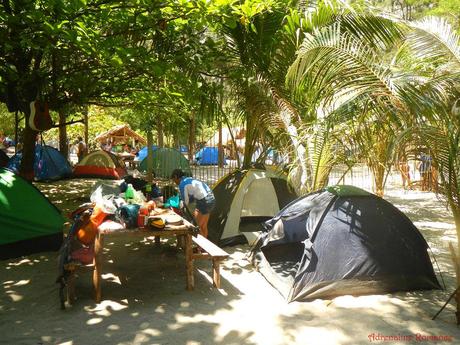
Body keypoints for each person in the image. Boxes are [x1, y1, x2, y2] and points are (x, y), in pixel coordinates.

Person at [171, 169, 215, 238]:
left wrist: (180, 207)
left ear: (176, 177)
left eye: (174, 180)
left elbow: (185, 202)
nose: (174, 182)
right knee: (203, 226)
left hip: (204, 201)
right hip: (211, 198)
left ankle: (199, 247)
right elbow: (192, 196)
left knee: (196, 227)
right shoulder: (189, 179)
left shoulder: (182, 184)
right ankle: (202, 248)